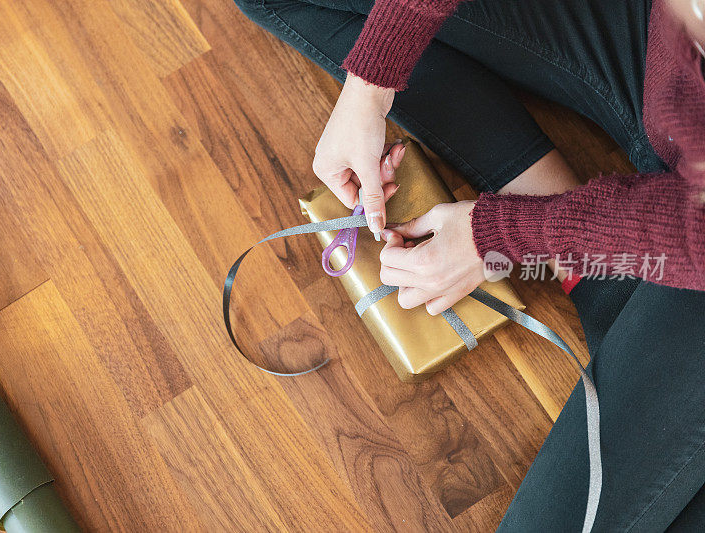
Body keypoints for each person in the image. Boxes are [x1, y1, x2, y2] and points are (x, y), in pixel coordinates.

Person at [234, 0, 705, 530]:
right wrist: (369, 82)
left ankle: (610, 284)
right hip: (654, 49)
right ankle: (605, 278)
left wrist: (498, 235)